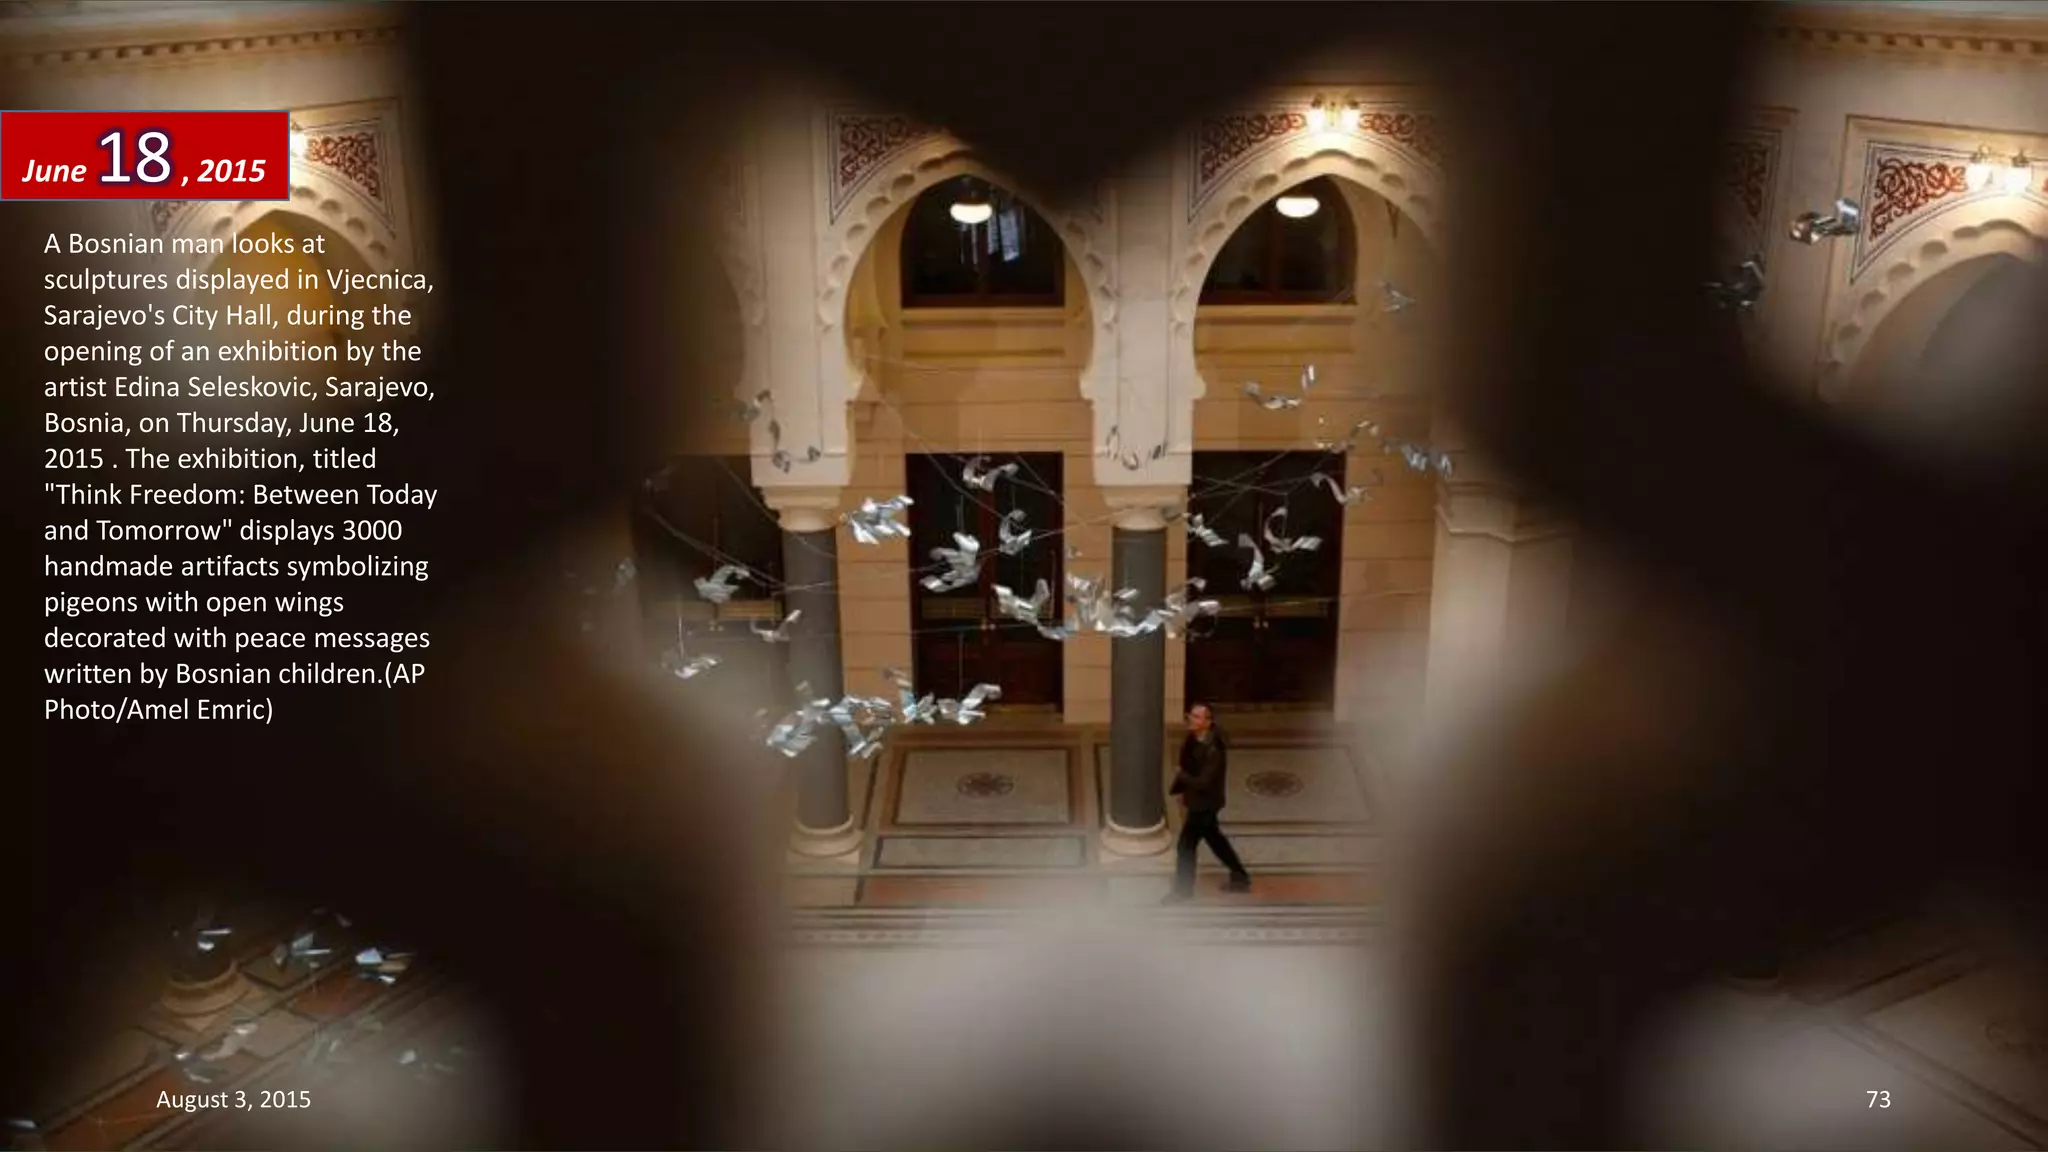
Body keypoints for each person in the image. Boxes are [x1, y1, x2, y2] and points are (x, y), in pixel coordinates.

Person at [1164, 702, 1252, 903]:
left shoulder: (1215, 750)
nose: (1190, 720)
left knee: (1186, 845)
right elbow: (1188, 764)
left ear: (1207, 722)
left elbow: (1203, 781)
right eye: (1190, 715)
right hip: (1198, 800)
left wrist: (1182, 776)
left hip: (1205, 804)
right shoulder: (1192, 739)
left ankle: (1183, 891)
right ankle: (1240, 876)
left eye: (1196, 717)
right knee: (1215, 839)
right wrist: (1182, 790)